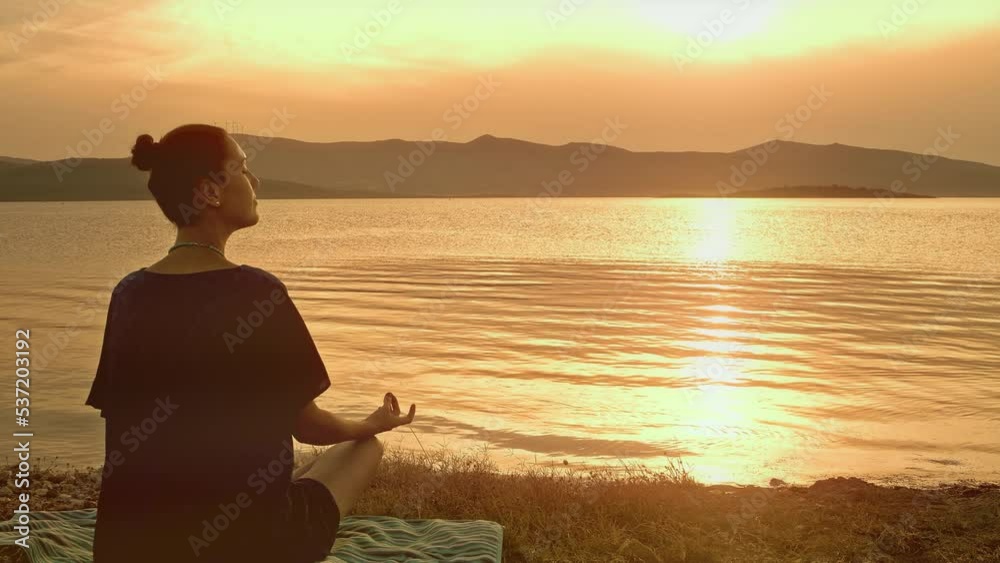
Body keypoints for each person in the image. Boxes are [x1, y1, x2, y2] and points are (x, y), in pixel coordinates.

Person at [84, 124, 417, 562]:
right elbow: (308, 426)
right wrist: (368, 425)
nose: (255, 181)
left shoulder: (127, 293)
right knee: (362, 450)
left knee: (298, 470)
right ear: (210, 191)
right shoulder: (258, 293)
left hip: (128, 546)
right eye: (242, 167)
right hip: (249, 544)